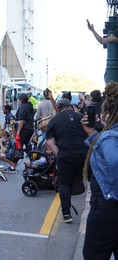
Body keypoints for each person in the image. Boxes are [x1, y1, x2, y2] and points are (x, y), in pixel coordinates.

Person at [82, 81, 118, 260]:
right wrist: (91, 133)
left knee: (93, 257)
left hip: (107, 209)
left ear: (108, 113)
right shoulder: (108, 137)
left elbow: (115, 161)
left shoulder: (109, 136)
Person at [46, 98, 89, 223]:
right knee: (88, 179)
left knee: (64, 183)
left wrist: (60, 154)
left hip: (66, 154)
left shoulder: (54, 120)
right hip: (84, 153)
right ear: (70, 106)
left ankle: (66, 214)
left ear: (58, 108)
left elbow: (50, 142)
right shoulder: (80, 116)